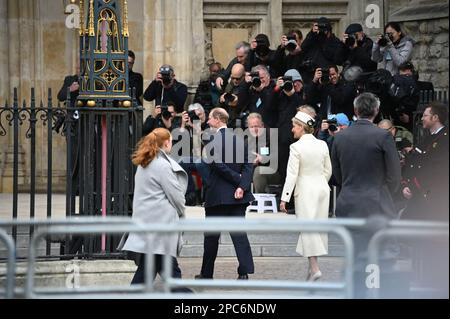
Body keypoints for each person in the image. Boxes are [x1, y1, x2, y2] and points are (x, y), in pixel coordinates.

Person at [331, 92, 401, 297]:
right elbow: (394, 174)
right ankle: (372, 291)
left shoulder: (340, 137)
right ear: (376, 111)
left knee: (353, 252)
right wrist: (386, 192)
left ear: (355, 111)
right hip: (376, 201)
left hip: (349, 201)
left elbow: (337, 175)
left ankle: (355, 290)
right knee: (378, 254)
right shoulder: (383, 136)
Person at [121, 128, 191, 292]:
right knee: (171, 277)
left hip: (150, 227)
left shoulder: (145, 163)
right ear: (166, 142)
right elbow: (177, 197)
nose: (171, 144)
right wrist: (182, 212)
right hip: (161, 227)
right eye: (171, 141)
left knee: (148, 273)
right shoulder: (162, 165)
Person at [196, 108, 255, 280]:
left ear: (217, 119)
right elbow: (248, 166)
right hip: (238, 196)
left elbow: (217, 166)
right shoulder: (240, 139)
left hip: (218, 196)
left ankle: (207, 275)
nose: (207, 122)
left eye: (210, 119)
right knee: (239, 235)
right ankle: (244, 272)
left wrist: (238, 181)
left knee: (211, 238)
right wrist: (242, 186)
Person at [279, 111, 332, 281]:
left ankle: (315, 269)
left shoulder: (296, 147)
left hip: (305, 191)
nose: (292, 129)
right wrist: (319, 183)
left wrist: (284, 198)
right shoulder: (322, 144)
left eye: (294, 126)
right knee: (315, 228)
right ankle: (311, 270)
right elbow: (328, 170)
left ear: (301, 127)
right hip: (322, 190)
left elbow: (292, 174)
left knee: (308, 229)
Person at [402, 102, 449, 221]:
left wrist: (415, 186)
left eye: (425, 115)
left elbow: (435, 168)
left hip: (431, 196)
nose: (422, 118)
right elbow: (415, 161)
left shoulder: (445, 139)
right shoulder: (428, 137)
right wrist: (407, 184)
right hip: (418, 192)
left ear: (435, 118)